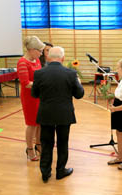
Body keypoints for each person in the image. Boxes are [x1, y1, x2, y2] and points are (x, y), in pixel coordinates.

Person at [31, 46, 84, 183]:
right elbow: (79, 95)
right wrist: (77, 82)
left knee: (46, 143)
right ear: (63, 58)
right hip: (64, 114)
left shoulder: (39, 73)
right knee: (62, 143)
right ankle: (60, 171)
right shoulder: (71, 74)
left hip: (46, 113)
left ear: (48, 57)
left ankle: (45, 172)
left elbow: (34, 94)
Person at [17, 36, 45, 161]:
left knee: (40, 123)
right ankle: (29, 149)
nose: (41, 53)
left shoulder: (37, 60)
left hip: (39, 95)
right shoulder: (22, 62)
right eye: (39, 51)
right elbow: (26, 83)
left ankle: (38, 145)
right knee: (32, 124)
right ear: (32, 50)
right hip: (29, 98)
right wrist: (42, 83)